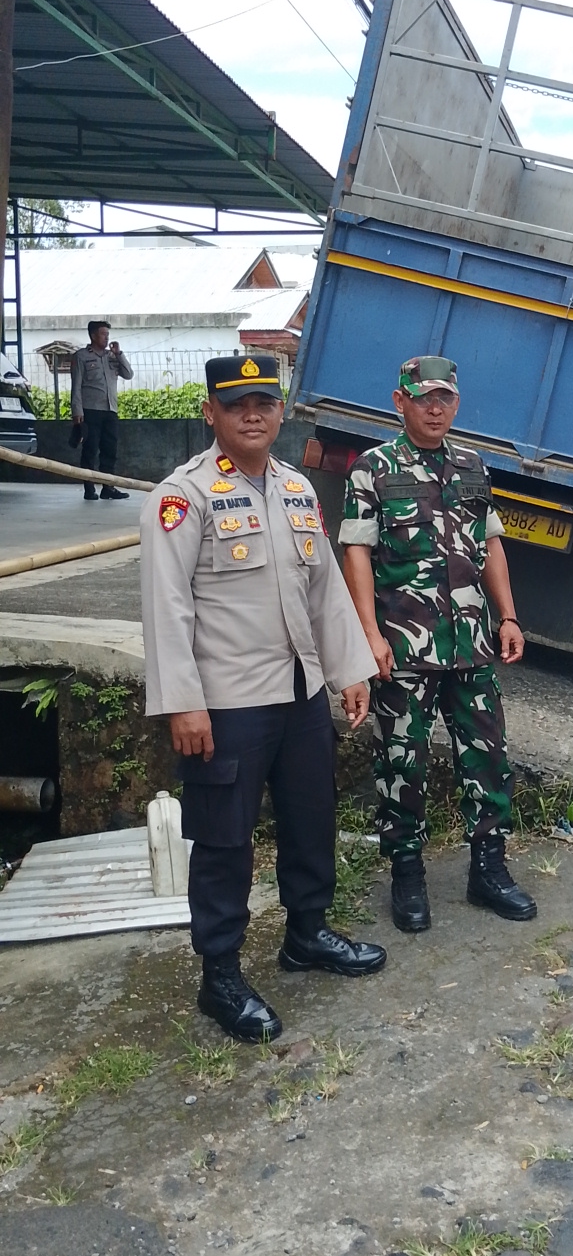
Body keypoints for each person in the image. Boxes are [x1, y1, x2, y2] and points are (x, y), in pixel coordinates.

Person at [141, 353, 386, 1043]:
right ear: (210, 413)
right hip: (226, 705)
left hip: (300, 694)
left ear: (281, 411)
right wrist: (182, 703)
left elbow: (326, 592)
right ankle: (219, 976)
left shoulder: (297, 490)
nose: (252, 414)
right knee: (223, 843)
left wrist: (350, 671)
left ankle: (306, 933)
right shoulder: (182, 496)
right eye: (236, 403)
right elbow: (166, 608)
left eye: (264, 402)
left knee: (312, 820)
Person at [339, 355, 536, 933]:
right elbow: (355, 552)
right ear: (399, 402)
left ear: (456, 402)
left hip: (472, 645)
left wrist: (509, 616)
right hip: (404, 649)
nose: (435, 407)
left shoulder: (474, 467)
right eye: (423, 397)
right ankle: (407, 874)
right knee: (404, 762)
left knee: (488, 757)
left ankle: (489, 870)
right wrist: (369, 634)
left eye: (445, 398)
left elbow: (492, 546)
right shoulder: (372, 469)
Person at [71, 321, 133, 500]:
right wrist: (77, 411)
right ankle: (89, 489)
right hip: (90, 411)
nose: (107, 338)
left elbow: (128, 374)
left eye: (108, 334)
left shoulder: (112, 356)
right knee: (90, 450)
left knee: (110, 450)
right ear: (93, 336)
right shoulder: (81, 357)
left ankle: (108, 488)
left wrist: (119, 354)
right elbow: (76, 387)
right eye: (103, 334)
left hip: (110, 410)